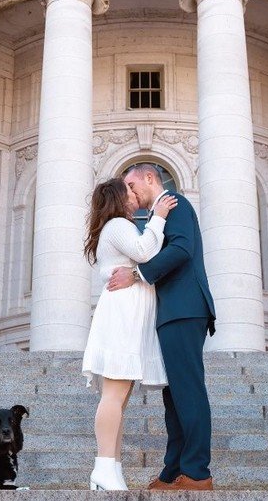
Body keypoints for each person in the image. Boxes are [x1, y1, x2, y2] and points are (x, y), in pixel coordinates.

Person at [108, 164, 216, 492]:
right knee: (174, 395)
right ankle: (173, 472)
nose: (129, 193)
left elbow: (181, 249)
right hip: (171, 311)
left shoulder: (175, 204)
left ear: (149, 178)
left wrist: (136, 275)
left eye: (131, 185)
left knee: (188, 390)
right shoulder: (159, 213)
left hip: (185, 308)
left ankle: (197, 473)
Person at [82, 176, 178, 491]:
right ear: (118, 198)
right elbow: (145, 251)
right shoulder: (118, 225)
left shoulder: (116, 227)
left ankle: (112, 469)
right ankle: (103, 467)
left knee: (119, 399)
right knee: (114, 395)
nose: (134, 194)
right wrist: (159, 217)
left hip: (127, 314)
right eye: (129, 190)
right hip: (122, 315)